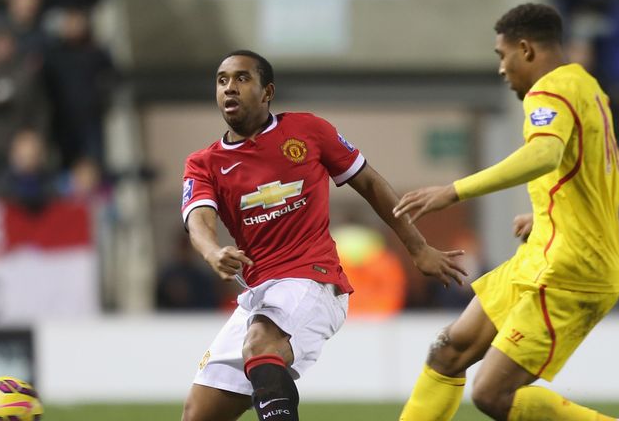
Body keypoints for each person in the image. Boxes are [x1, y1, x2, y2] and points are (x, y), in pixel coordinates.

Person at [393, 4, 619, 421]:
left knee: (492, 395)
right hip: (548, 253)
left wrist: (454, 191)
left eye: (502, 55)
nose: (501, 68)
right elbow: (605, 173)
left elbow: (546, 154)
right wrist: (552, 216)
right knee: (449, 351)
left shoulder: (549, 91)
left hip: (570, 271)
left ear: (526, 49)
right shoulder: (587, 87)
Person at [179, 49, 467, 421]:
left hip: (313, 280)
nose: (229, 88)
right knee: (197, 413)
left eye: (241, 79)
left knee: (261, 344)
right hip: (258, 295)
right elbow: (198, 219)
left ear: (267, 91)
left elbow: (369, 183)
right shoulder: (204, 163)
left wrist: (418, 246)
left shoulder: (308, 131)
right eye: (222, 81)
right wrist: (211, 252)